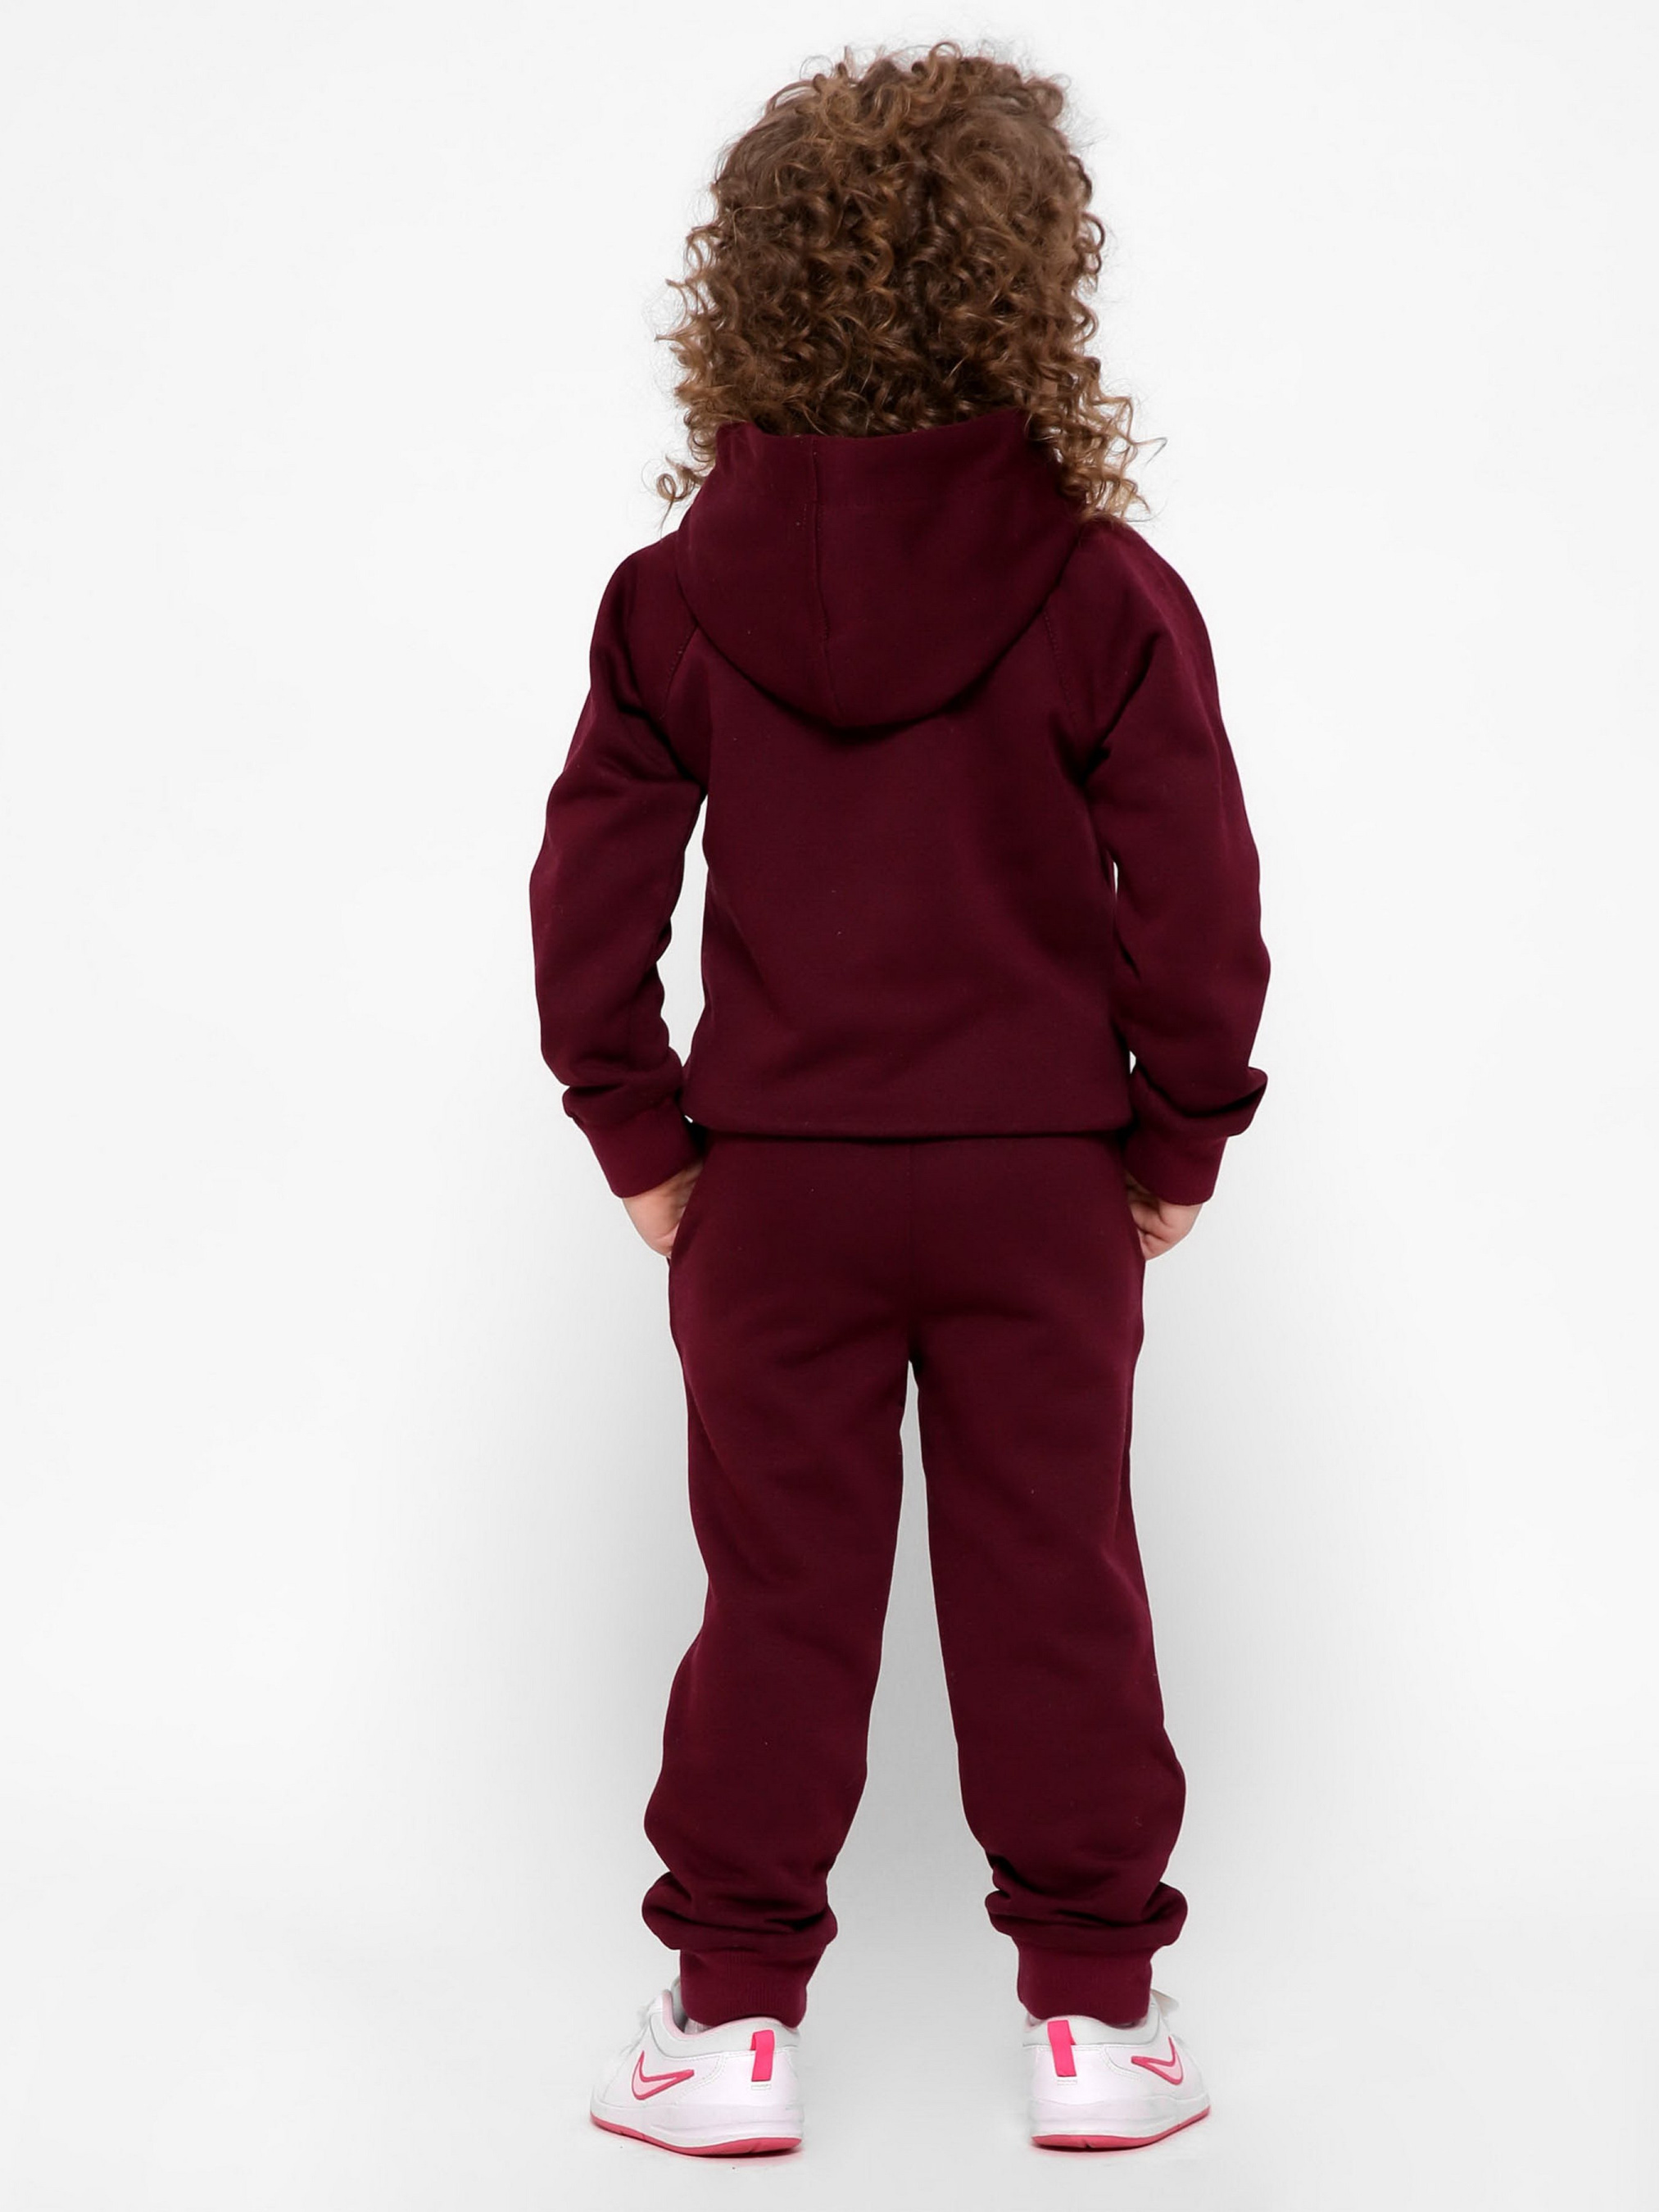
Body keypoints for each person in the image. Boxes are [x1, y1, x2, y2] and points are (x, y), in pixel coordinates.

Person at [528, 39, 1270, 2159]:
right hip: (1040, 1186)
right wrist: (1177, 1132)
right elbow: (1198, 890)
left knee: (778, 1590)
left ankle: (728, 2026)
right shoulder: (1101, 591)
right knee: (1056, 1580)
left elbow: (589, 891)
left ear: (753, 295)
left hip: (777, 1194)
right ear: (1028, 288)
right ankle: (1098, 2024)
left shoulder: (675, 598)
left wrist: (639, 1129)